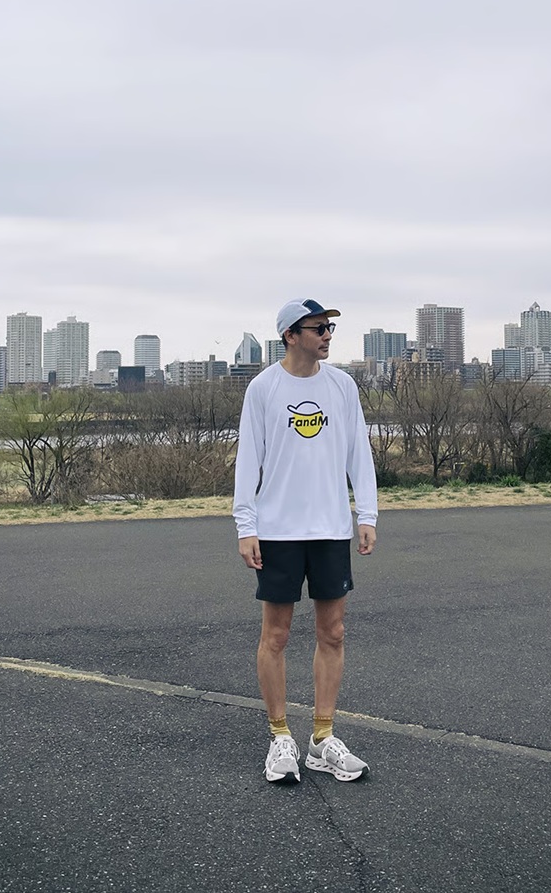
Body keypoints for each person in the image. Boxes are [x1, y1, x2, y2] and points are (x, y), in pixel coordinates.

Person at [233, 298, 378, 784]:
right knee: (275, 636)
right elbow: (248, 460)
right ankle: (280, 737)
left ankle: (322, 737)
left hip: (331, 528)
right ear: (291, 335)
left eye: (329, 328)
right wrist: (246, 526)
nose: (327, 336)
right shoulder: (263, 388)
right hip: (278, 531)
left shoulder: (342, 386)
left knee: (332, 632)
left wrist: (366, 514)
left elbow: (359, 453)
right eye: (318, 329)